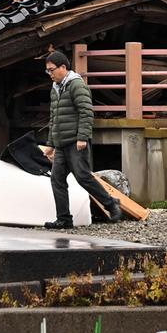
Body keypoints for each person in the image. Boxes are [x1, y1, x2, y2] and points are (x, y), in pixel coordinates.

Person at [42, 50, 122, 229]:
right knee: (56, 179)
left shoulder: (76, 85)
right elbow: (54, 118)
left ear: (63, 67)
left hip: (76, 142)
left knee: (83, 177)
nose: (50, 74)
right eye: (47, 71)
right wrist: (51, 144)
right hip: (61, 144)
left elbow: (86, 112)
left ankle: (111, 203)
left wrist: (82, 138)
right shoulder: (55, 89)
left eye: (52, 69)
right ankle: (64, 219)